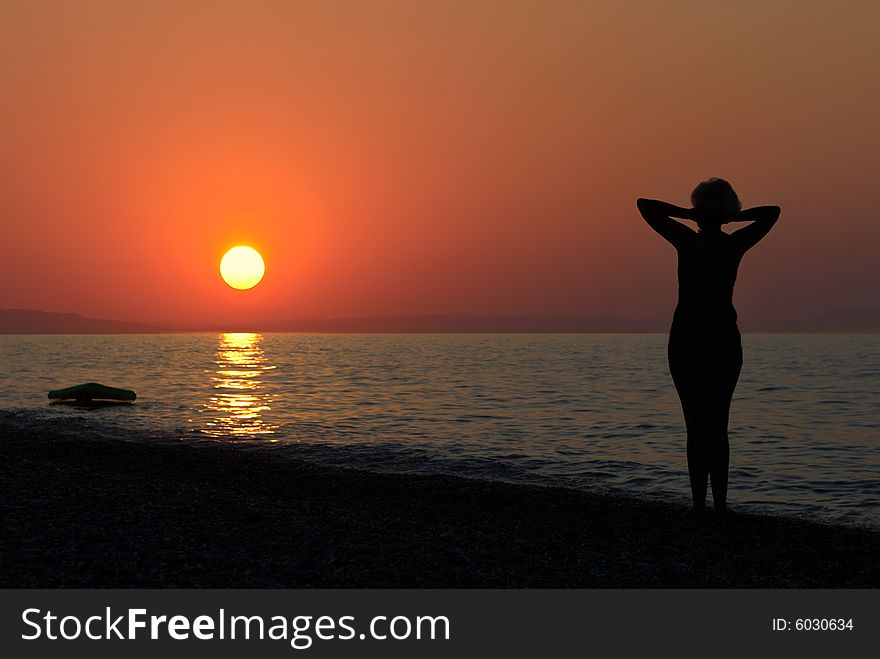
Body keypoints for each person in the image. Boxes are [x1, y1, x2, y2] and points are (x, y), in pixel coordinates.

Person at [637, 178, 780, 514]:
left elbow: (646, 206)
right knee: (716, 424)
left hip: (695, 337)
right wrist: (728, 217)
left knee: (699, 424)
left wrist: (691, 214)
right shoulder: (727, 243)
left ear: (700, 209)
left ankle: (704, 503)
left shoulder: (690, 240)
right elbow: (772, 213)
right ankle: (715, 504)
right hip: (712, 338)